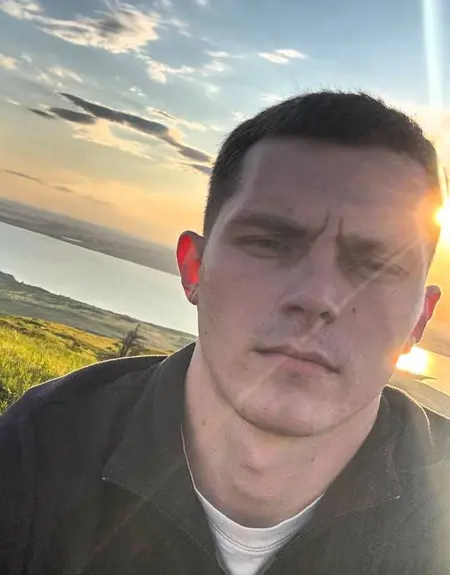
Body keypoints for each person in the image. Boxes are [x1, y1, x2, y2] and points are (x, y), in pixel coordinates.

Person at [0, 91, 448, 575]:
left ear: (418, 320)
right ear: (194, 268)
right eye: (269, 242)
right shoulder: (40, 450)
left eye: (378, 265)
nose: (320, 297)